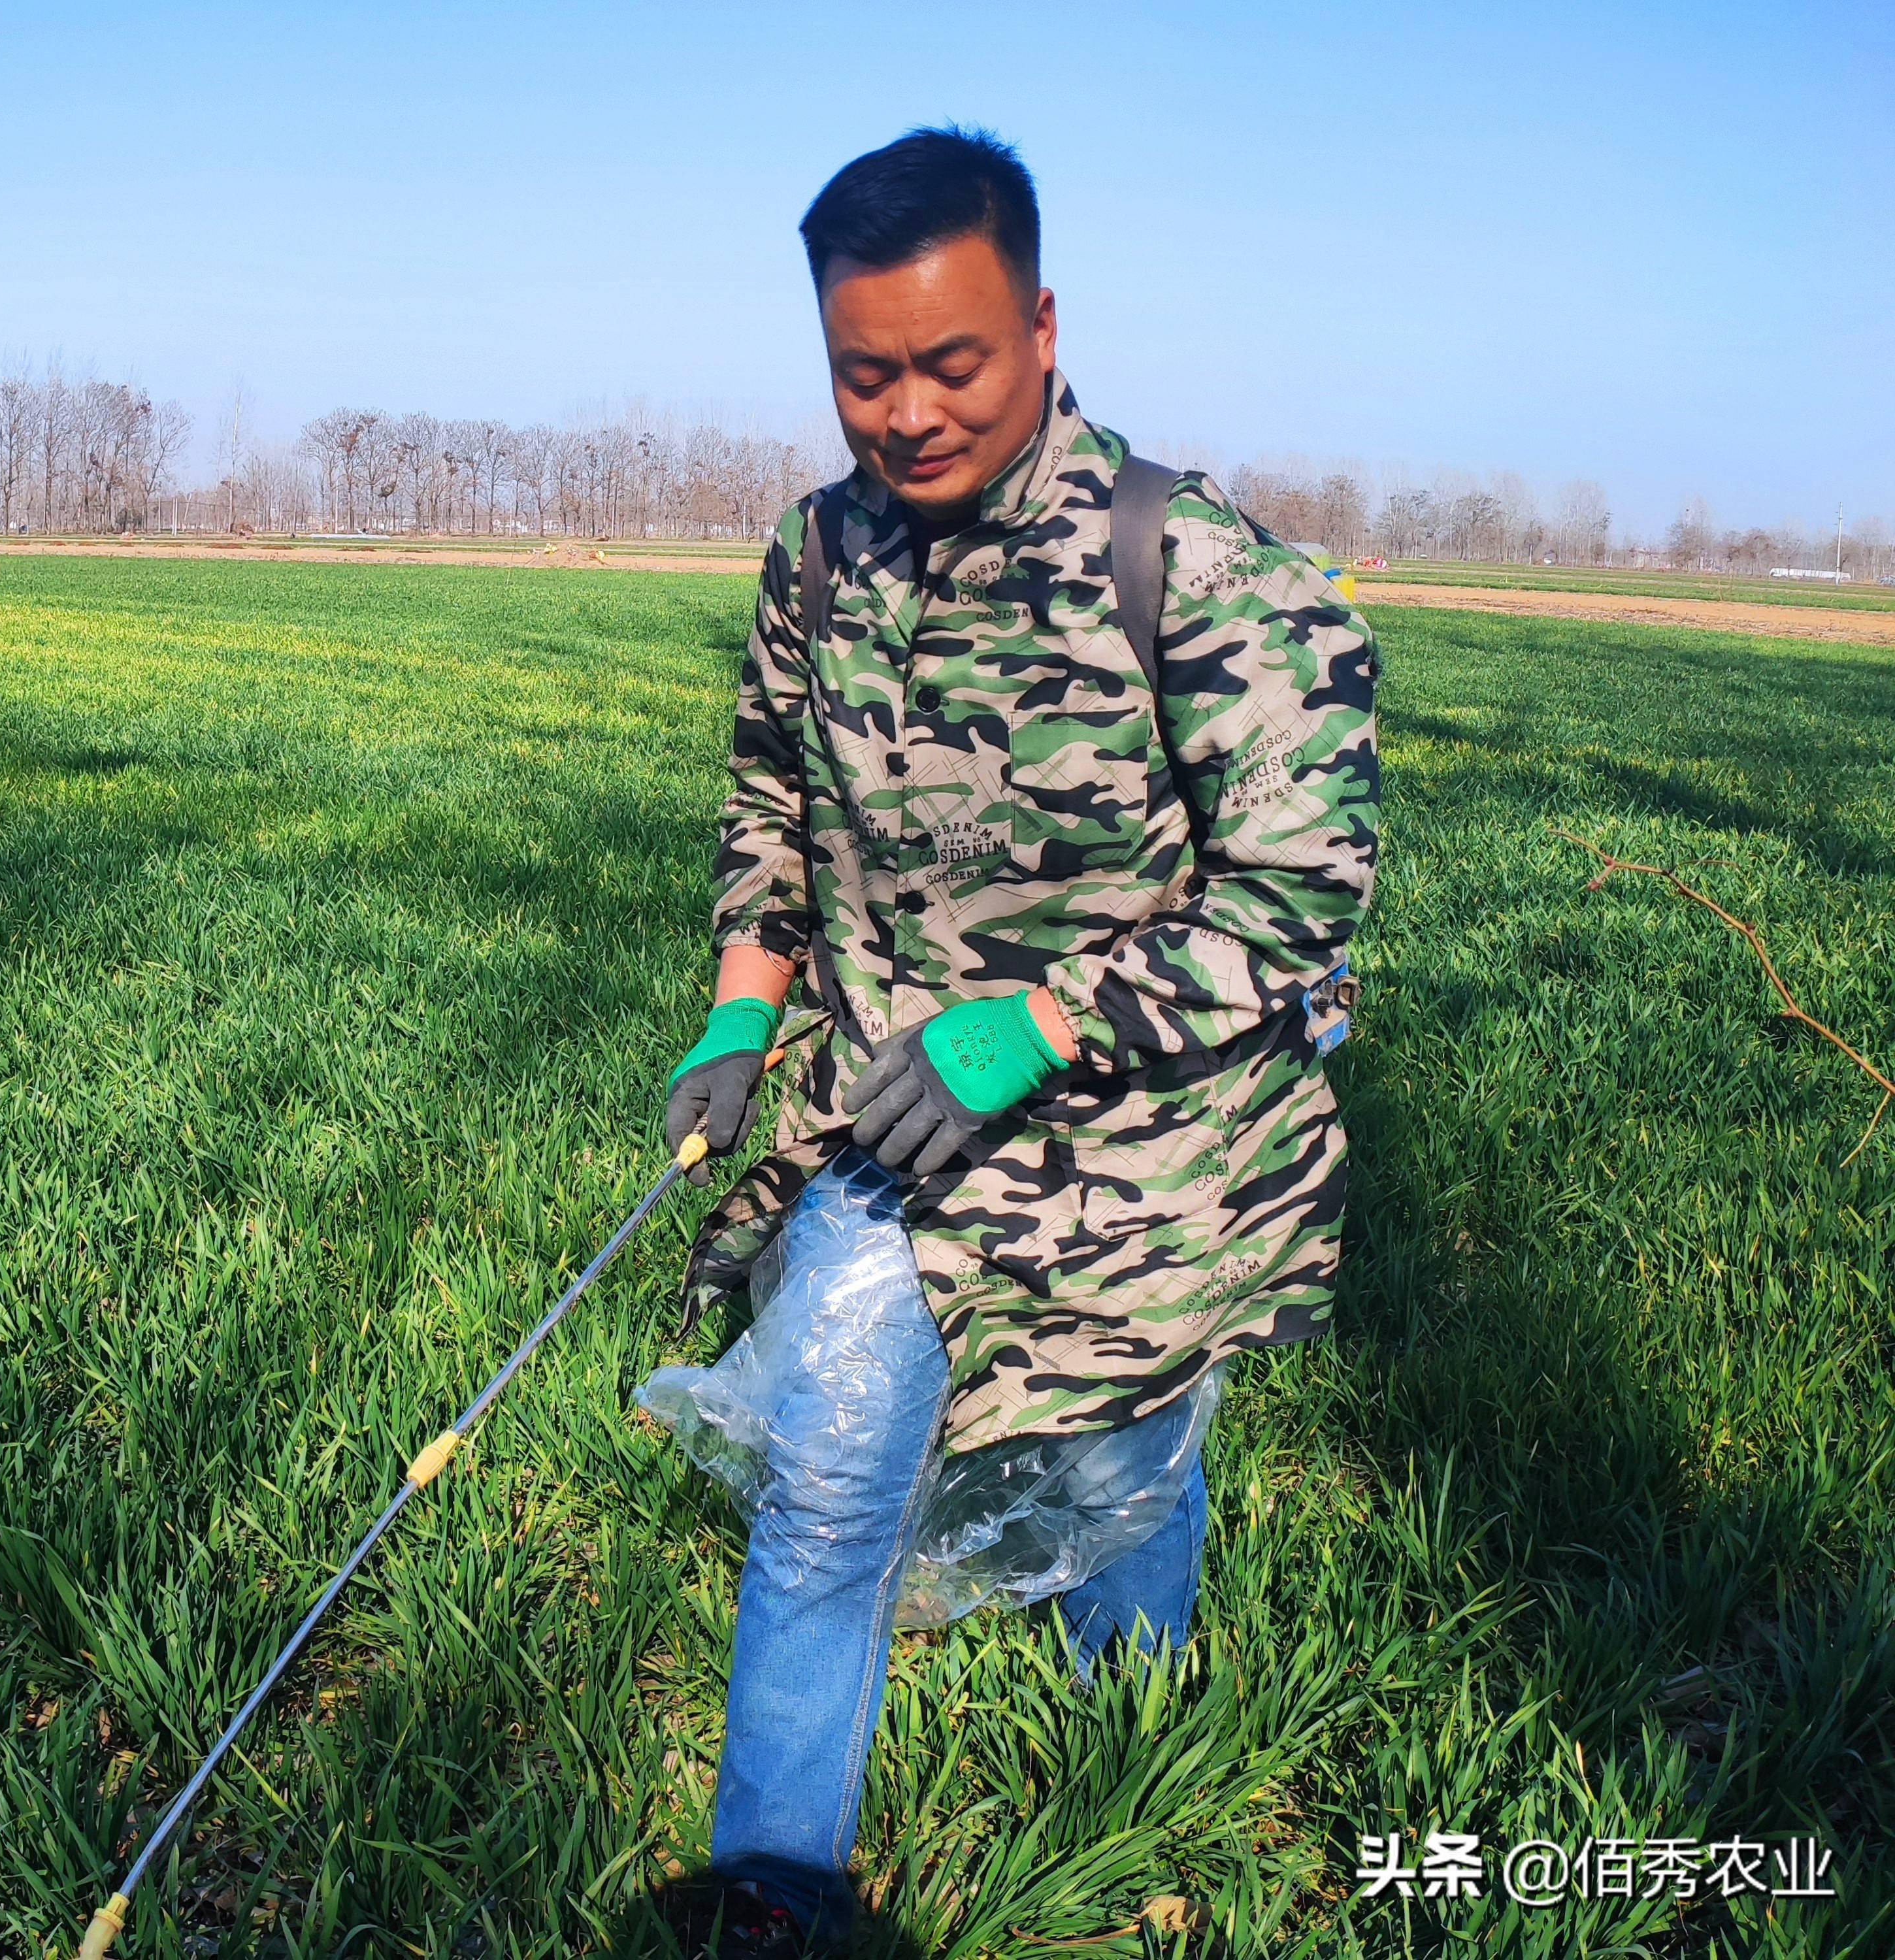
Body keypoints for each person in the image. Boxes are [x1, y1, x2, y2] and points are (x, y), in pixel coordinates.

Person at [653, 127, 1379, 1955]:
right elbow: (770, 808)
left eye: (951, 364)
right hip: (894, 1138)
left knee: (1120, 1478)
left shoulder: (1194, 571)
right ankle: (778, 1890)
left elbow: (1300, 899)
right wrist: (745, 1016)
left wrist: (1047, 1020)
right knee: (827, 1488)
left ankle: (1133, 1780)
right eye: (863, 371)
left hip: (1145, 1170)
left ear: (1042, 329)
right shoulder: (816, 563)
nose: (905, 415)